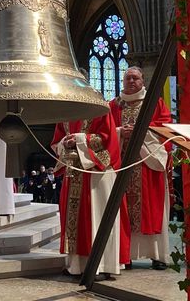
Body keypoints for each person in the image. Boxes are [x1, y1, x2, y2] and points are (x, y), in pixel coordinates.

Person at [109, 66, 172, 270]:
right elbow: (105, 133)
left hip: (147, 165)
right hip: (122, 167)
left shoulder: (154, 103)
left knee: (151, 210)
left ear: (143, 81)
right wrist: (119, 132)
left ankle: (157, 255)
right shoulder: (113, 106)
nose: (131, 81)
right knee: (122, 210)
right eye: (127, 78)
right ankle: (125, 255)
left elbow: (165, 130)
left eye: (135, 78)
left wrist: (139, 133)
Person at [51, 113, 122, 280]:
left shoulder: (98, 107)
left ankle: (101, 265)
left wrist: (79, 139)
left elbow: (106, 137)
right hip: (74, 170)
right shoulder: (65, 109)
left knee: (97, 216)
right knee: (76, 221)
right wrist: (65, 143)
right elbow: (56, 141)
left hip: (97, 172)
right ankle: (75, 266)